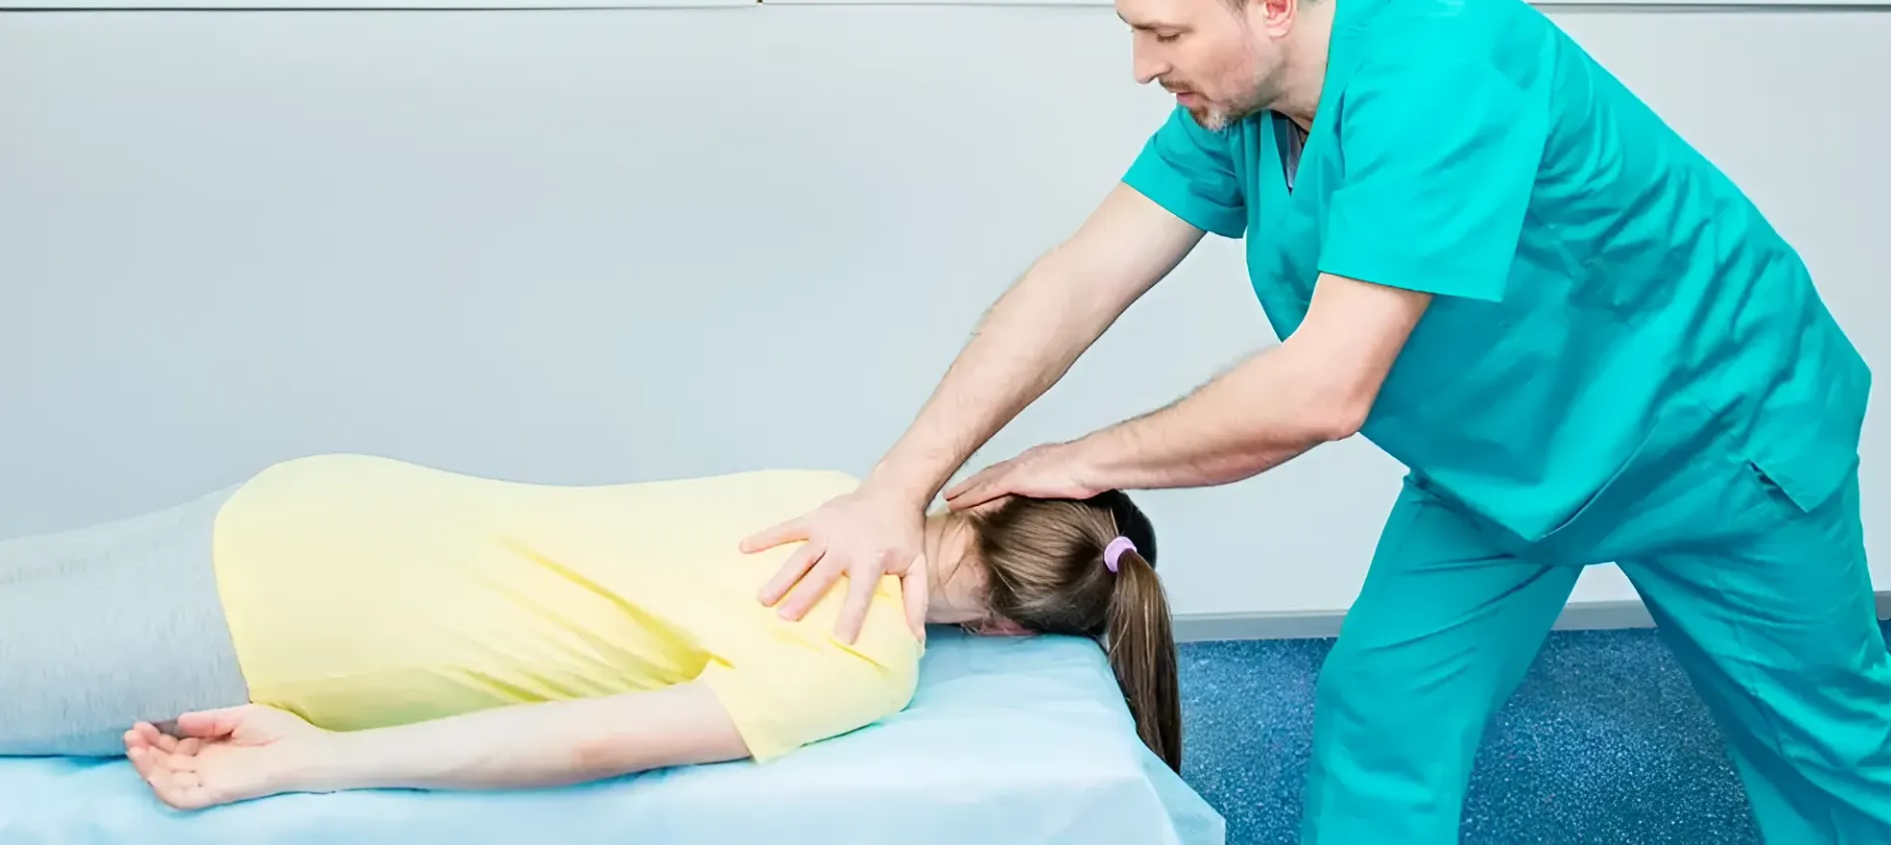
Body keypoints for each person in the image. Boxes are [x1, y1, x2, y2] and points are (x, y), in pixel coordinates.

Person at [745, 0, 1891, 842]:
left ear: (1268, 1)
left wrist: (1083, 454)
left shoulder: (1442, 64)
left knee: (1830, 747)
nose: (1144, 66)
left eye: (1163, 33)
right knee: (1381, 704)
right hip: (1515, 461)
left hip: (1714, 427)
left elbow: (1323, 387)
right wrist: (895, 487)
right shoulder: (1238, 104)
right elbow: (1078, 279)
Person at [0, 450, 1178, 810]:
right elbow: (590, 742)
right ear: (1018, 634)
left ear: (983, 496)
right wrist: (313, 753)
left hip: (318, 506)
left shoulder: (832, 488)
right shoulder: (864, 662)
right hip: (289, 629)